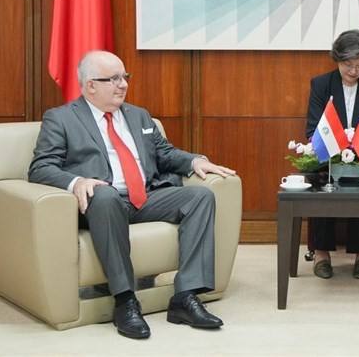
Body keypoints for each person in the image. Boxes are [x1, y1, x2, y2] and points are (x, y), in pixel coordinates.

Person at [29, 50, 236, 340]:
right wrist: (76, 181)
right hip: (103, 203)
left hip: (145, 197)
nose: (123, 84)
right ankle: (125, 300)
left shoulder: (138, 115)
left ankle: (185, 297)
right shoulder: (61, 118)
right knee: (105, 195)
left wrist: (194, 161)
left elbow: (164, 153)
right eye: (112, 79)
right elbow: (40, 167)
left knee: (199, 197)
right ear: (90, 85)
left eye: (124, 77)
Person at [305, 29, 359, 280]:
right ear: (337, 58)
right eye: (348, 64)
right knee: (321, 174)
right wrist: (337, 148)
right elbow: (312, 128)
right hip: (330, 154)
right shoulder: (321, 84)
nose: (353, 71)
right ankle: (321, 252)